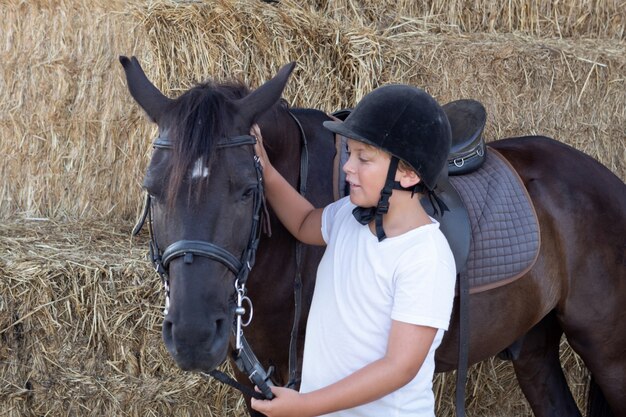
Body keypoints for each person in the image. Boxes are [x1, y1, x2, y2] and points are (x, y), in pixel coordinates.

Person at [250, 84, 456, 417]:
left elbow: (398, 366)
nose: (348, 167)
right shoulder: (348, 214)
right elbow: (303, 222)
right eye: (350, 153)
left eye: (364, 158)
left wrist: (305, 405)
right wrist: (268, 171)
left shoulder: (425, 256)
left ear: (407, 173)